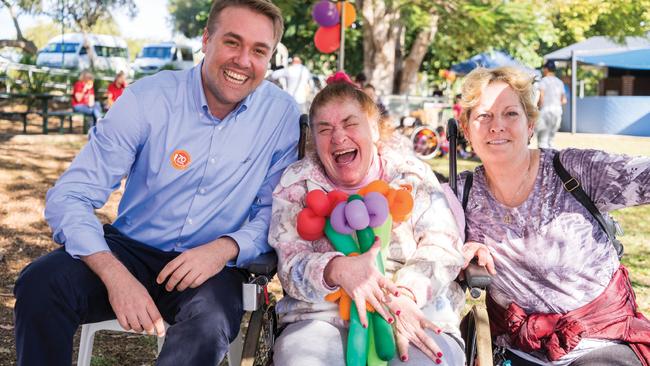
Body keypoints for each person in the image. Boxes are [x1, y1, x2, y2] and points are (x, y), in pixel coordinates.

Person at [13, 1, 300, 365]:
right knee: (41, 285)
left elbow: (274, 212)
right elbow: (69, 195)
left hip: (211, 266)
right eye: (232, 42)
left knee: (209, 322)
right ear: (206, 39)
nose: (243, 60)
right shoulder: (148, 99)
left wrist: (225, 248)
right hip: (130, 250)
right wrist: (114, 274)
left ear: (270, 57)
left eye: (259, 50)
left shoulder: (281, 115)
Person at [457, 66, 650, 366]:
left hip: (601, 342)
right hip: (515, 350)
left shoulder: (574, 170)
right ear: (466, 129)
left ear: (531, 124)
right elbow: (413, 230)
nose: (497, 126)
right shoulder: (462, 193)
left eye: (510, 113)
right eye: (483, 116)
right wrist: (455, 249)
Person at [269, 81, 466, 365]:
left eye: (350, 124)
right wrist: (336, 270)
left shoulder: (411, 175)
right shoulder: (297, 183)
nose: (338, 137)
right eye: (325, 129)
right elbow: (289, 265)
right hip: (322, 317)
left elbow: (443, 244)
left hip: (413, 307)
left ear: (373, 129)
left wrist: (406, 294)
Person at [535, 60, 567, 148]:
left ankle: (542, 160)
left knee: (542, 141)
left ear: (546, 69)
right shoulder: (559, 82)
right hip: (557, 111)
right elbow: (564, 100)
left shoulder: (543, 81)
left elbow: (541, 99)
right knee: (551, 140)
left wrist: (537, 108)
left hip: (546, 111)